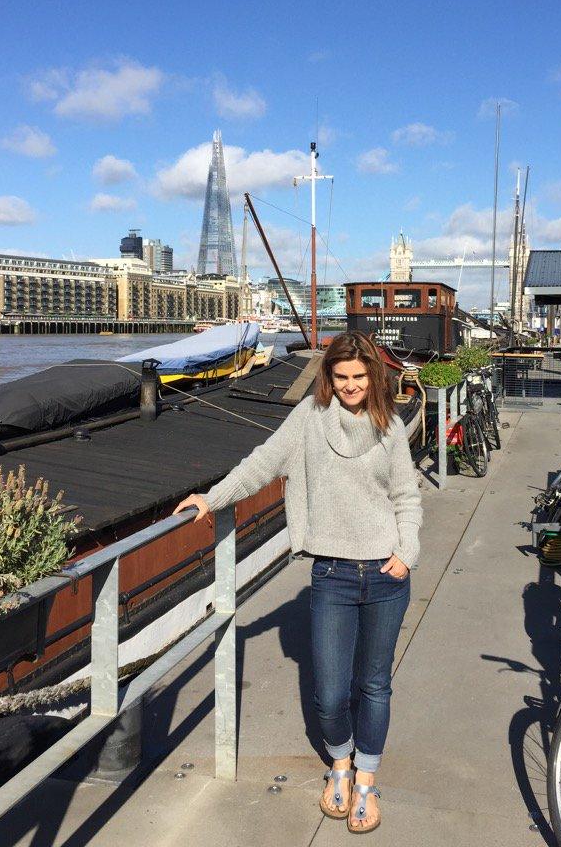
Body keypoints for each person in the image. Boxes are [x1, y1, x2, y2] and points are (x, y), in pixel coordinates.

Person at [174, 330, 422, 834]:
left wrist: (407, 553)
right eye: (341, 376)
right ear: (329, 376)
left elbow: (406, 497)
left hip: (386, 573)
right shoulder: (308, 420)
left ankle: (365, 781)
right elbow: (262, 464)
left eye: (359, 376)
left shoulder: (389, 425)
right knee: (330, 693)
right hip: (330, 573)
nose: (350, 385)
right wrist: (211, 499)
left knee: (374, 684)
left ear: (372, 377)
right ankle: (340, 763)